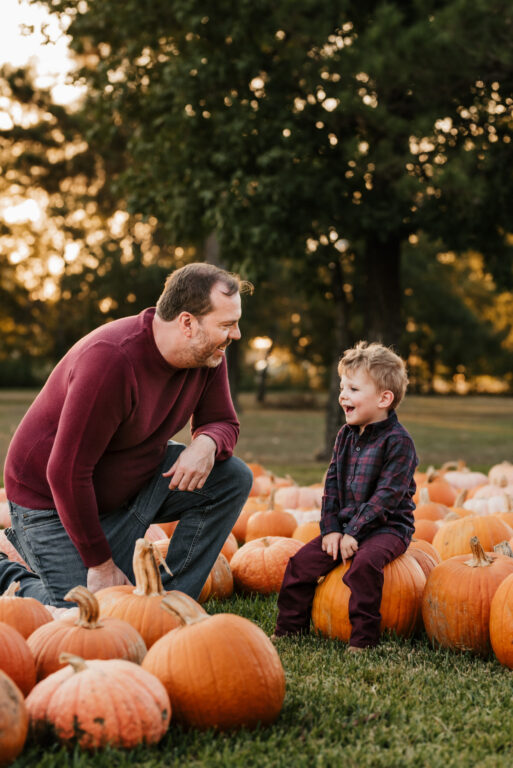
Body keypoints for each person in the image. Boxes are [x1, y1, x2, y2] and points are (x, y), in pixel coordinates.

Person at [0, 262, 254, 607]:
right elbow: (66, 472)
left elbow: (224, 421)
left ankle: (168, 603)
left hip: (131, 486)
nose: (236, 335)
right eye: (226, 325)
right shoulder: (110, 361)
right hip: (52, 505)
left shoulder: (208, 357)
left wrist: (207, 442)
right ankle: (8, 574)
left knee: (232, 477)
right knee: (85, 615)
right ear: (187, 323)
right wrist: (100, 564)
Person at [273, 341, 418, 650]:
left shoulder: (399, 443)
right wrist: (332, 530)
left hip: (388, 527)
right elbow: (332, 487)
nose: (343, 395)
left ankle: (364, 639)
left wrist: (354, 531)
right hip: (345, 526)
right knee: (300, 564)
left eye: (352, 389)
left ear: (384, 398)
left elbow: (386, 497)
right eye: (342, 387)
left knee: (364, 565)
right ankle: (289, 629)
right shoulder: (344, 436)